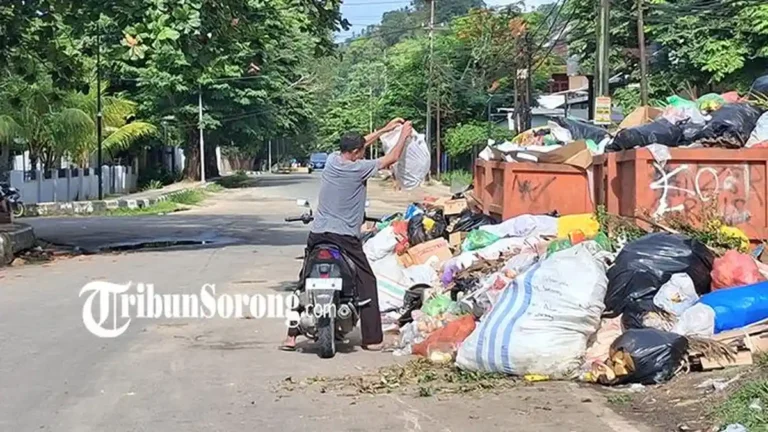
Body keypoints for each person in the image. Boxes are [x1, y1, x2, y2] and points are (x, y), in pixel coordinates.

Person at [281, 118, 412, 351]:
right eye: (361, 151)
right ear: (355, 153)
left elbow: (361, 144)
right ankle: (372, 340)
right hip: (345, 238)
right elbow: (391, 159)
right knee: (366, 280)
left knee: (304, 280)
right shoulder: (359, 168)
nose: (363, 153)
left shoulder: (332, 160)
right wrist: (404, 135)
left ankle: (291, 336)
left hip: (318, 233)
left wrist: (384, 129)